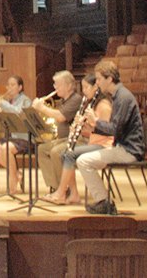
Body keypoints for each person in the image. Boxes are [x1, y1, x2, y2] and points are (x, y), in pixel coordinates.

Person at [74, 59, 143, 215]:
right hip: (123, 147)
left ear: (110, 79)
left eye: (99, 79)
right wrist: (91, 127)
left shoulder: (123, 98)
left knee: (83, 161)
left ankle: (104, 202)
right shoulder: (119, 96)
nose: (97, 83)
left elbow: (115, 130)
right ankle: (104, 201)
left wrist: (96, 121)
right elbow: (114, 129)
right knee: (84, 159)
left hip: (129, 150)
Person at [46, 75, 109, 206]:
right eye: (83, 87)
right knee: (65, 154)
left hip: (104, 146)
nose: (84, 91)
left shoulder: (104, 105)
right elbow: (91, 132)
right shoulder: (91, 105)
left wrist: (92, 123)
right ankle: (73, 194)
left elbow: (108, 131)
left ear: (95, 87)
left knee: (68, 154)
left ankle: (61, 192)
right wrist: (80, 126)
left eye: (86, 87)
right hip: (94, 142)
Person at [33, 70, 82, 193]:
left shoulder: (76, 99)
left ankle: (63, 189)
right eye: (54, 84)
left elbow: (61, 117)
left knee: (56, 152)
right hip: (63, 139)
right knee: (42, 149)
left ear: (69, 86)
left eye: (58, 84)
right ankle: (55, 186)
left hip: (75, 140)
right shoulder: (64, 100)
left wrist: (42, 108)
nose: (55, 87)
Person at [0, 75, 33, 196]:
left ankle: (13, 180)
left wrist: (2, 103)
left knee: (6, 148)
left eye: (13, 85)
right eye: (8, 85)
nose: (9, 88)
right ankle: (16, 174)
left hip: (25, 137)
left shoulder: (25, 100)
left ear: (20, 87)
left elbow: (18, 112)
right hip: (11, 137)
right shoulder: (8, 101)